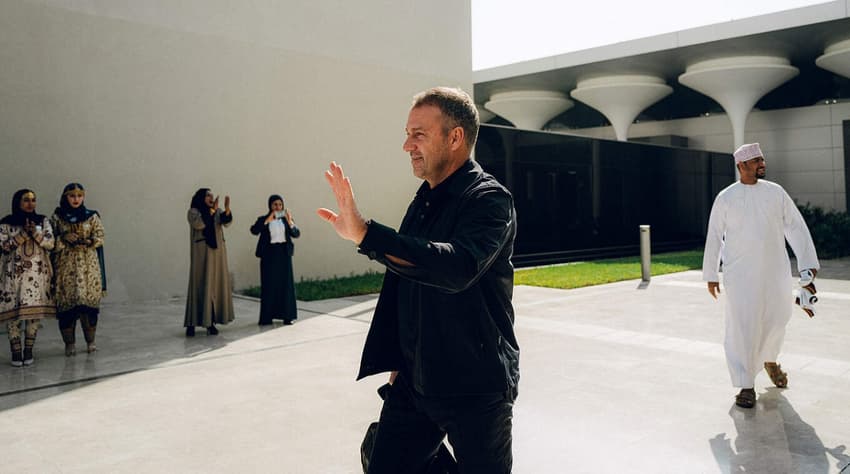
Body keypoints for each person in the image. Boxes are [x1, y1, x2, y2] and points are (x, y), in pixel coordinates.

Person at [317, 87, 519, 473]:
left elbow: (456, 267)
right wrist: (399, 365)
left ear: (455, 138)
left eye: (419, 134)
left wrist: (366, 234)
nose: (406, 144)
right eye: (407, 133)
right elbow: (405, 284)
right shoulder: (424, 199)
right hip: (416, 382)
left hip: (476, 386)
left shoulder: (490, 200)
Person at [703, 143, 819, 409]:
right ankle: (745, 385)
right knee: (743, 326)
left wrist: (807, 264)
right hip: (740, 274)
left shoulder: (776, 193)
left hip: (775, 270)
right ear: (741, 166)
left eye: (762, 159)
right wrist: (711, 273)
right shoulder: (726, 197)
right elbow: (714, 237)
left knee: (778, 318)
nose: (761, 164)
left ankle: (769, 358)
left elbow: (796, 228)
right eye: (755, 160)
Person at [0, 189, 56, 366]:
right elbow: (4, 246)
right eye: (26, 200)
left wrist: (35, 234)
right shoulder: (7, 223)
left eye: (33, 200)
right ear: (18, 202)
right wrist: (23, 235)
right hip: (13, 275)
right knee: (13, 313)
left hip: (37, 275)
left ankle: (29, 349)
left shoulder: (42, 221)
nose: (30, 204)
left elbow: (50, 243)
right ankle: (16, 352)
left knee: (34, 313)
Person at [50, 183, 106, 356]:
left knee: (88, 306)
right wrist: (64, 238)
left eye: (79, 196)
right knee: (67, 308)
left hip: (88, 268)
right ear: (65, 197)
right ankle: (69, 344)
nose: (76, 199)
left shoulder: (91, 216)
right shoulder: (57, 217)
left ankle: (91, 341)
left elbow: (100, 236)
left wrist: (89, 241)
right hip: (66, 268)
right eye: (72, 196)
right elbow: (49, 242)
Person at [184, 188, 235, 336]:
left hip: (217, 254)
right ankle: (192, 323)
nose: (211, 197)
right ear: (201, 198)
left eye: (212, 195)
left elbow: (226, 222)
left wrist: (226, 210)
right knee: (199, 285)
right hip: (202, 255)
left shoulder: (216, 211)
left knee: (214, 287)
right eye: (207, 195)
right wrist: (211, 212)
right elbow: (200, 224)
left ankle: (210, 323)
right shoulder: (194, 212)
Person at [250, 195, 300, 326]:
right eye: (275, 205)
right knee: (269, 285)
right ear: (270, 206)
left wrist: (290, 222)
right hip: (269, 255)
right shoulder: (263, 219)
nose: (278, 207)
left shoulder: (286, 220)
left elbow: (296, 234)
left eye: (280, 205)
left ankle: (288, 316)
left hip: (284, 254)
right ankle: (267, 317)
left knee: (286, 285)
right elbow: (254, 230)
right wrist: (267, 220)